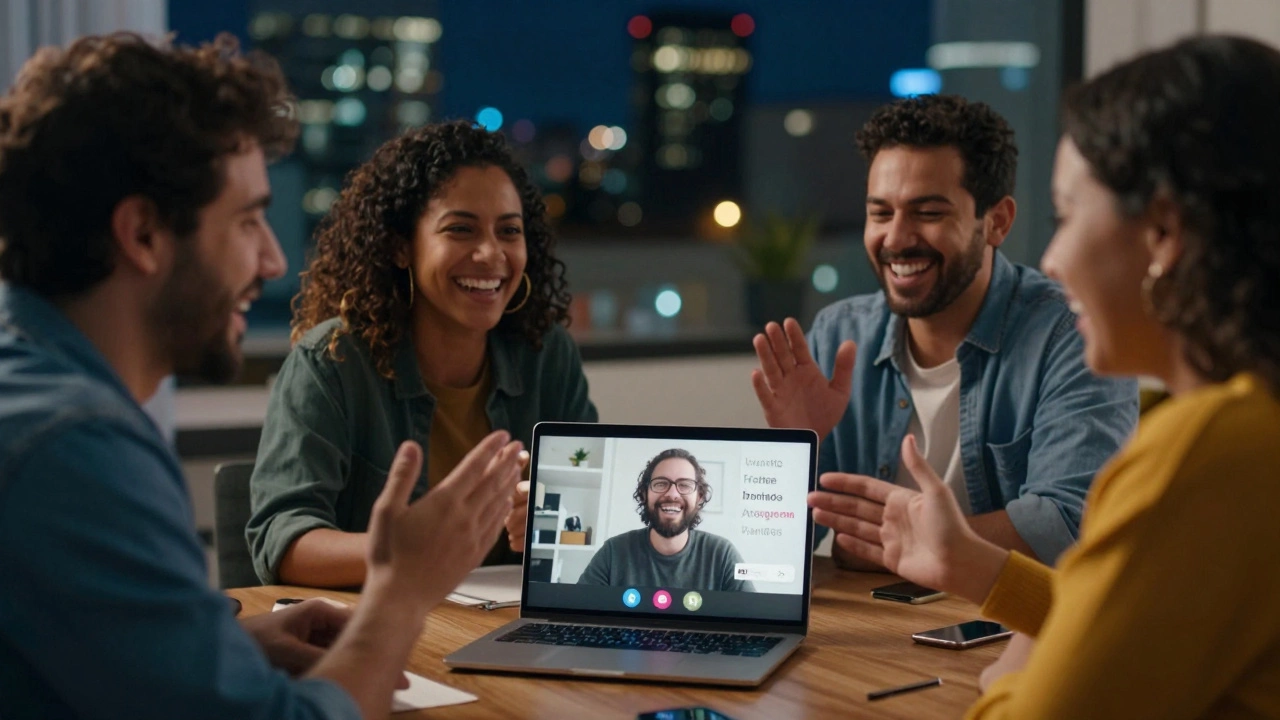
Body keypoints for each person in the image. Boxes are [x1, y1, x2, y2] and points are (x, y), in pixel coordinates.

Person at [0, 33, 524, 720]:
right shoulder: (76, 448)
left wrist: (229, 641)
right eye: (248, 221)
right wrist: (401, 591)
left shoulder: (34, 395)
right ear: (143, 234)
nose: (274, 261)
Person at [810, 34, 1280, 718]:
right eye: (881, 211)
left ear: (1164, 236)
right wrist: (978, 568)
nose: (1052, 259)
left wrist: (1013, 669)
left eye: (1068, 215)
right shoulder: (1251, 423)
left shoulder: (1206, 450)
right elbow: (1129, 621)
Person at [751, 95, 1137, 567]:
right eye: (880, 213)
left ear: (996, 221)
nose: (895, 238)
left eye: (928, 213)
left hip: (1013, 625)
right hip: (871, 628)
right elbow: (774, 558)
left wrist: (909, 544)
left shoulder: (1071, 332)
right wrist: (793, 453)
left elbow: (1068, 524)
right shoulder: (838, 335)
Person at [246, 120, 597, 587]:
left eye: (509, 231)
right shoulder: (332, 361)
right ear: (400, 247)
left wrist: (560, 520)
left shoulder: (545, 353)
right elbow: (281, 542)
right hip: (374, 633)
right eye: (461, 230)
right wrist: (404, 547)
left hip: (500, 627)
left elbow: (590, 501)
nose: (491, 254)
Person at [579, 449, 754, 592]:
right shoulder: (613, 552)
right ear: (644, 494)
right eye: (661, 483)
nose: (672, 493)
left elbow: (751, 618)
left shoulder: (722, 554)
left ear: (699, 497)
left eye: (684, 485)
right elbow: (580, 613)